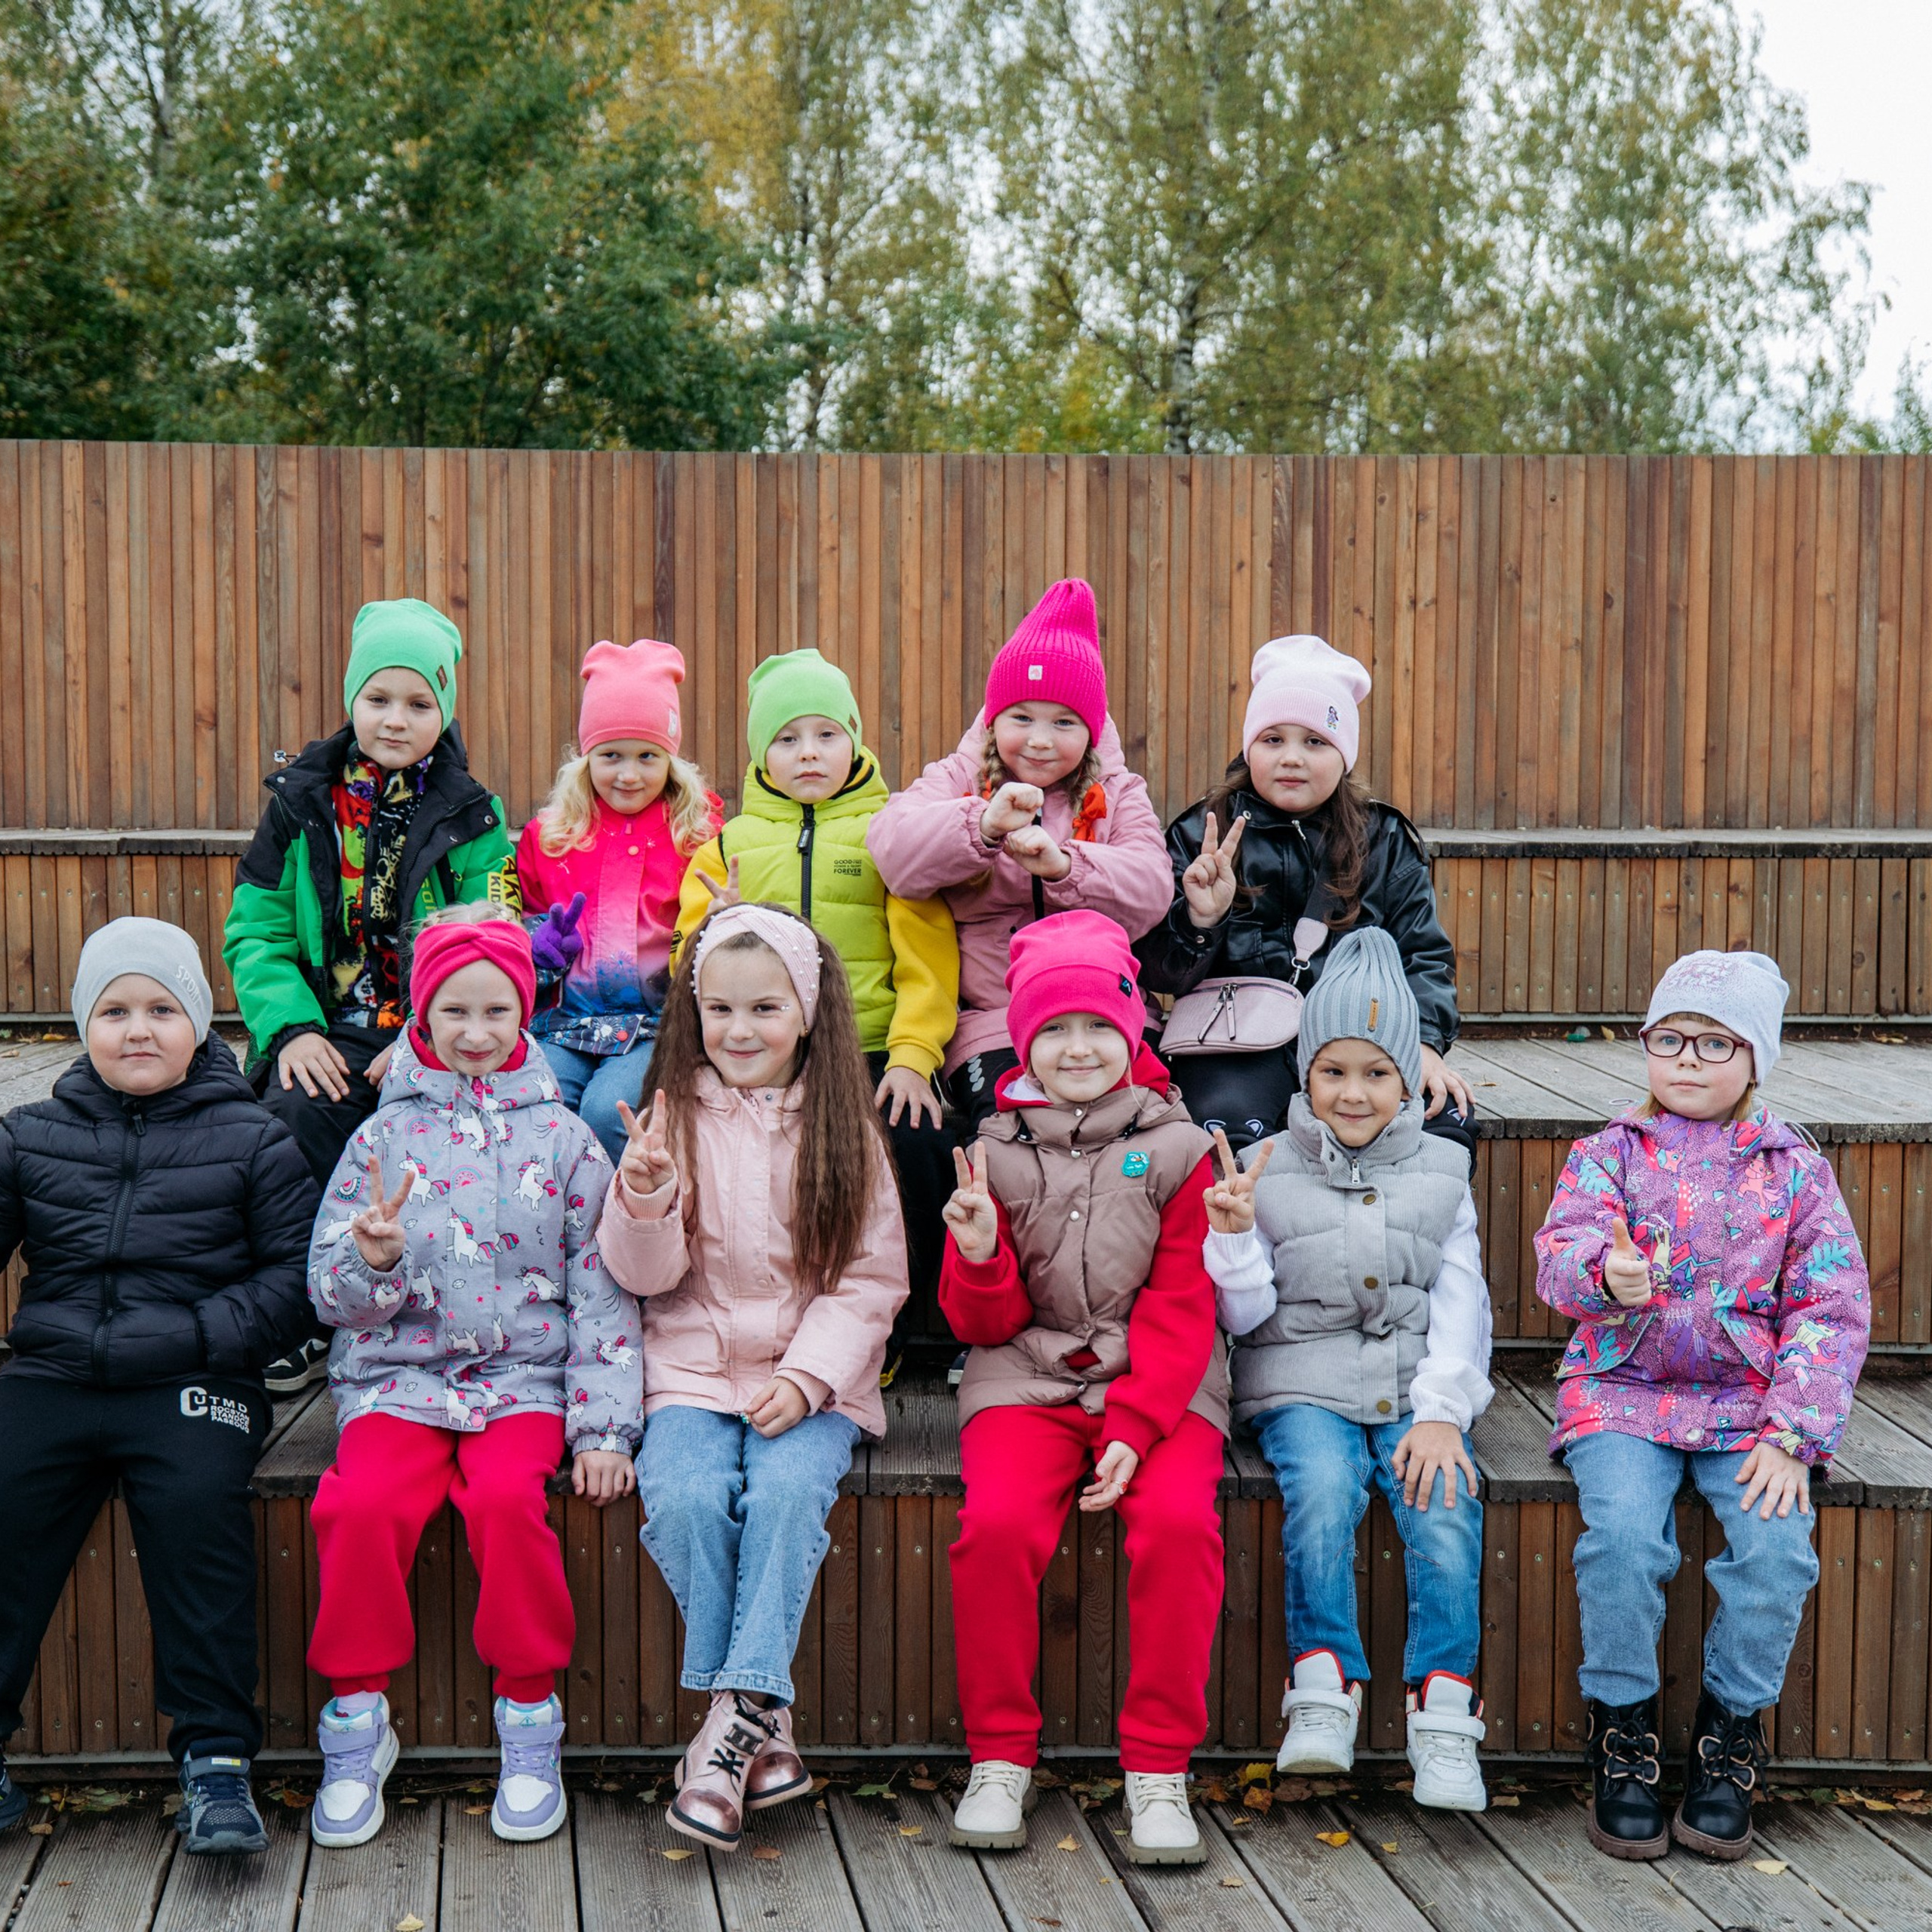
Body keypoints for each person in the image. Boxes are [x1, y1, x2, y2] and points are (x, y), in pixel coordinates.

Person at [303, 908, 641, 1850]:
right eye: (456, 1010)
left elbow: (603, 1290)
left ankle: (529, 1718)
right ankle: (357, 1718)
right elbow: (329, 1294)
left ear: (526, 1016)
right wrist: (374, 1261)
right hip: (398, 1380)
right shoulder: (379, 1139)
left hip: (521, 1381)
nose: (478, 1031)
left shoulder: (569, 1141)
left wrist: (604, 1430)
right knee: (360, 1504)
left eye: (498, 1010)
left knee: (504, 1502)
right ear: (422, 1016)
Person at [1534, 950, 1869, 1863]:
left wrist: (1794, 1434)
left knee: (1773, 1549)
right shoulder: (1608, 1154)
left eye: (1714, 1043)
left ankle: (1727, 1738)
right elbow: (1557, 1254)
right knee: (1624, 1543)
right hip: (1621, 1390)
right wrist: (1605, 1274)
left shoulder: (1793, 1169)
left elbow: (1830, 1305)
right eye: (1669, 1038)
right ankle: (1624, 1733)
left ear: (1755, 1060)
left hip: (1744, 1404)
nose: (1686, 1058)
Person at [0, 919, 318, 1856]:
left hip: (192, 1378)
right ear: (81, 1026)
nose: (138, 1029)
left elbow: (297, 1283)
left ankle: (217, 1758)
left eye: (162, 1009)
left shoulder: (254, 1137)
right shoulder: (29, 1135)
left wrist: (191, 1334)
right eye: (114, 1011)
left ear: (200, 1024)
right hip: (54, 1372)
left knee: (194, 1519)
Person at [598, 903, 906, 1852]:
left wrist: (812, 1378)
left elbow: (871, 1280)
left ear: (807, 1013)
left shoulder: (846, 1129)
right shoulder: (670, 1118)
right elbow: (640, 1277)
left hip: (810, 1378)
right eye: (721, 1010)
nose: (740, 1031)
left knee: (781, 1496)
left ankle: (727, 1726)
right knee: (686, 1496)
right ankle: (762, 1723)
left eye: (765, 1009)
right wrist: (643, 1193)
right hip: (689, 1366)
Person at [939, 910, 1223, 1866]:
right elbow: (981, 1324)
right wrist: (976, 1255)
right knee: (996, 1532)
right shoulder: (991, 1150)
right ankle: (1000, 1756)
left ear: (1132, 1032)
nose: (1076, 1047)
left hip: (1160, 1386)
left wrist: (1137, 1427)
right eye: (1052, 1029)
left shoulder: (1181, 1150)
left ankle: (1156, 1765)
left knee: (1181, 1527)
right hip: (1024, 1377)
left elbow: (1185, 1306)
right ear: (1022, 1038)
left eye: (1098, 1026)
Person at [1202, 928, 1491, 1813]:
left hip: (1411, 1385)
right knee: (1321, 1492)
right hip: (1300, 1382)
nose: (1353, 1092)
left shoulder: (1443, 1169)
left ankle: (1443, 1711)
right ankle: (1323, 1686)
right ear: (1304, 1076)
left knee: (1442, 1503)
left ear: (1408, 1077)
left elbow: (1462, 1303)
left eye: (1375, 1073)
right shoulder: (1270, 1166)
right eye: (1332, 1071)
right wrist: (1232, 1238)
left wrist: (1442, 1410)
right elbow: (1246, 1319)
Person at [225, 596, 517, 1392]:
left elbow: (490, 935)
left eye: (419, 702)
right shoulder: (299, 806)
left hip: (432, 1028)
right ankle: (301, 1315)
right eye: (379, 699)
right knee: (291, 1119)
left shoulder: (471, 813)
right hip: (326, 1026)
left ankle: (428, 1307)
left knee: (435, 1127)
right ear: (352, 700)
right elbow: (257, 933)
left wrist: (430, 1034)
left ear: (444, 709)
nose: (396, 719)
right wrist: (289, 1031)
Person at [675, 648, 957, 1351]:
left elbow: (927, 958)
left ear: (856, 739)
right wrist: (719, 926)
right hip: (767, 1050)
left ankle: (896, 1328)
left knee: (915, 1143)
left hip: (868, 1043)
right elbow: (688, 968)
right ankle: (778, 1322)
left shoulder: (889, 834)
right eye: (787, 738)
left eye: (827, 735)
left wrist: (913, 1055)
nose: (809, 754)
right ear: (759, 753)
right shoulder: (727, 846)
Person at [1135, 633, 1471, 1154]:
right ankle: (1246, 1238)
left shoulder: (1381, 840)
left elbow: (1422, 954)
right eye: (1273, 740)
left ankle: (1406, 1238)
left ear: (1344, 754)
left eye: (1314, 741)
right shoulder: (1203, 832)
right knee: (1223, 1128)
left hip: (1358, 1040)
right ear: (1250, 749)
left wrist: (1424, 1043)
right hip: (1234, 1042)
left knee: (1443, 1122)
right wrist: (1200, 922)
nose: (1292, 757)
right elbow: (1154, 970)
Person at [866, 579, 1171, 1128]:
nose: (1039, 740)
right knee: (1013, 1139)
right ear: (992, 719)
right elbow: (893, 851)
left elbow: (1152, 890)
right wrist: (981, 827)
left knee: (1139, 1139)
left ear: (1091, 729)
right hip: (995, 1024)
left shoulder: (1119, 792)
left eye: (1064, 723)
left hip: (1109, 1016)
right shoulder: (961, 777)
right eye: (1021, 718)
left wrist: (1065, 866)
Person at [515, 638, 721, 1163]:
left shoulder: (696, 834)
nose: (628, 775)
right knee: (537, 1102)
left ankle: (623, 1231)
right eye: (611, 756)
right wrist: (541, 946)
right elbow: (528, 916)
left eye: (647, 757)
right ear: (587, 759)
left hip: (654, 1027)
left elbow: (714, 918)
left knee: (611, 1113)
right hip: (566, 1022)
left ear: (671, 760)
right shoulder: (554, 836)